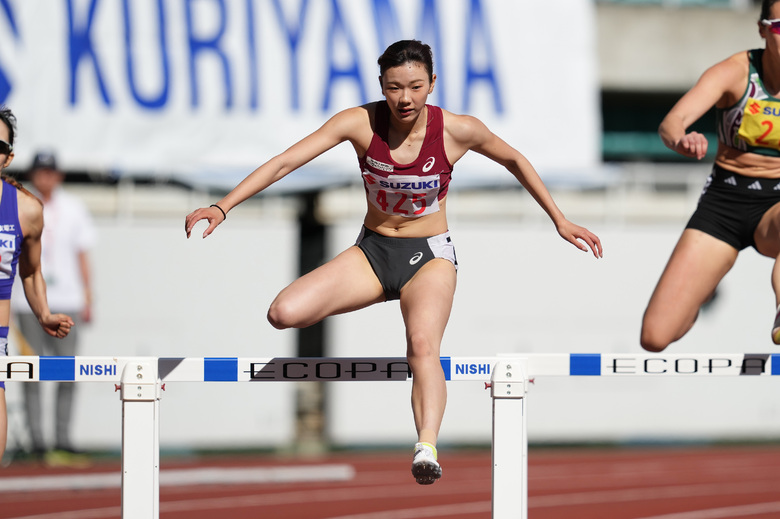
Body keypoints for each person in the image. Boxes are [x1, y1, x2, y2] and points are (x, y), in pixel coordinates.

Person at [185, 40, 602, 485]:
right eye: (394, 88)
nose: (405, 99)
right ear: (381, 86)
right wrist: (223, 206)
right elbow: (287, 161)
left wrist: (559, 219)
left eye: (416, 87)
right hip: (374, 252)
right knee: (282, 313)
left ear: (432, 85)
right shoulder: (359, 123)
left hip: (429, 258)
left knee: (423, 345)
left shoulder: (459, 130)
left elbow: (515, 159)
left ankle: (426, 446)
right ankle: (386, 297)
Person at [641, 0, 780, 352]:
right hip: (725, 203)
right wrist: (681, 139)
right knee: (656, 337)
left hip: (776, 209)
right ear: (763, 30)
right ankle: (695, 297)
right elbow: (671, 122)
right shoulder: (735, 72)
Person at [10, 150, 95, 463]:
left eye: (50, 172)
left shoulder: (74, 207)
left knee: (68, 372)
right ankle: (38, 442)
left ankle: (62, 438)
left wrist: (88, 296)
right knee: (30, 371)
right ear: (32, 174)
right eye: (39, 172)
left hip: (68, 299)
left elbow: (83, 254)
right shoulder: (18, 203)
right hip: (26, 301)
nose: (45, 177)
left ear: (58, 175)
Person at [0, 106, 74, 462]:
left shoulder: (26, 210)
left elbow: (29, 271)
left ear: (8, 157)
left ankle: (52, 441)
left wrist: (43, 313)